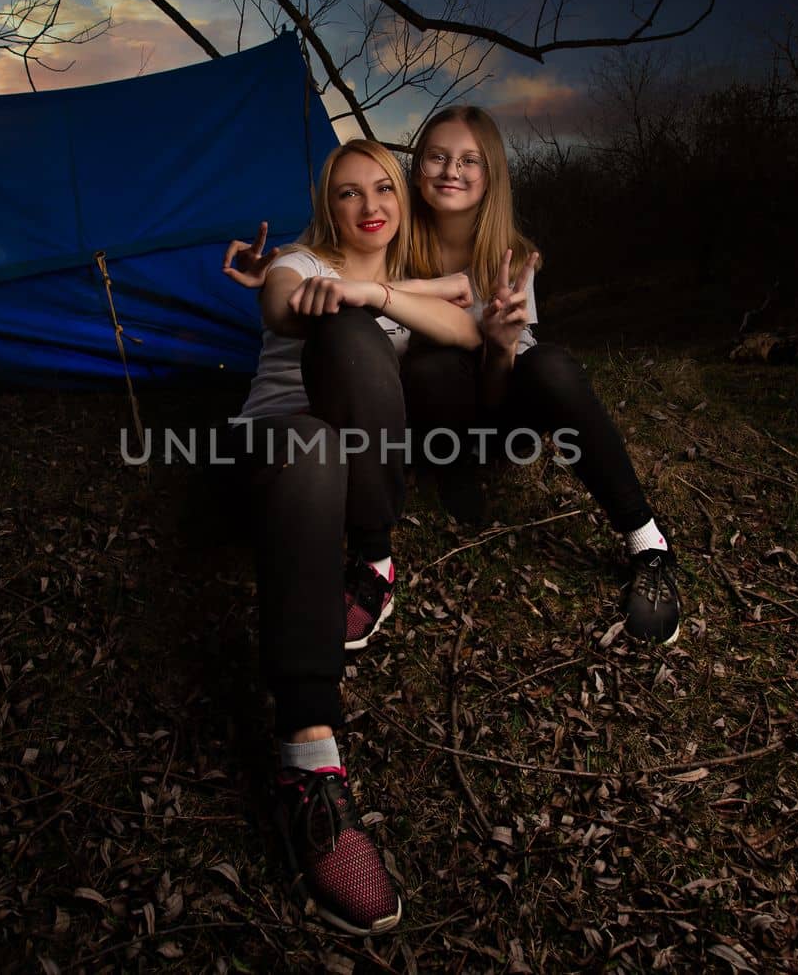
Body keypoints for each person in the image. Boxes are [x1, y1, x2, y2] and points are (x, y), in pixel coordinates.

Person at [226, 107, 682, 644]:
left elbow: (486, 365)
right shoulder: (391, 234)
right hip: (412, 412)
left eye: (470, 160)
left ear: (491, 174)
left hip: (495, 405)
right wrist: (275, 279)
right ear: (415, 170)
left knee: (550, 366)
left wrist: (503, 346)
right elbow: (322, 259)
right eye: (436, 158)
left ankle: (646, 540)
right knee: (426, 364)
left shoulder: (510, 259)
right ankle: (403, 525)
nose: (450, 171)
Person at [223, 138, 479, 935]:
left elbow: (466, 328)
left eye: (383, 189)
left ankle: (373, 556)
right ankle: (310, 766)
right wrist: (309, 290)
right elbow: (279, 298)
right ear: (324, 207)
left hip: (358, 467)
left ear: (402, 202)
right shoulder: (298, 259)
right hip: (279, 455)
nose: (367, 204)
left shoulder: (399, 275)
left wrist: (377, 291)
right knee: (320, 409)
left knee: (358, 336)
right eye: (346, 193)